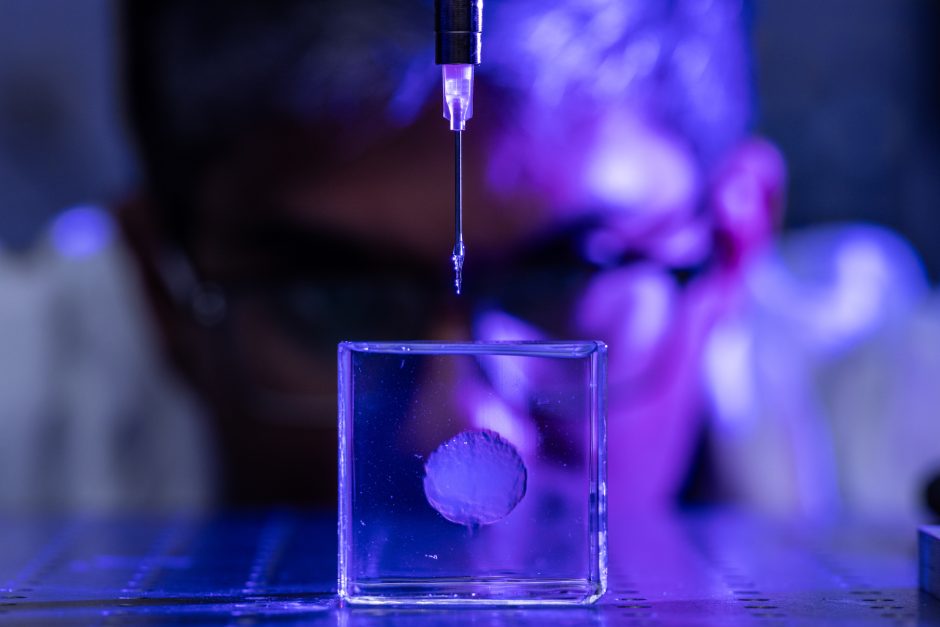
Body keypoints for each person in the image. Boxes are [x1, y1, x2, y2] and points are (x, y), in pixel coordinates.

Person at [0, 0, 784, 513]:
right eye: (333, 300)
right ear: (158, 282)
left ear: (734, 248)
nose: (461, 431)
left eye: (562, 282)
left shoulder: (890, 431)